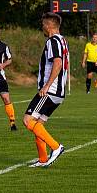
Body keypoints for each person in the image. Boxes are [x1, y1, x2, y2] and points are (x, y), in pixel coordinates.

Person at [25, 13, 70, 168]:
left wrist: (46, 85)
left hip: (50, 91)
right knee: (38, 123)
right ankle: (43, 159)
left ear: (49, 25)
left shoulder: (53, 41)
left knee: (28, 120)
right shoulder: (63, 40)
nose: (42, 27)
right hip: (58, 92)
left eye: (43, 24)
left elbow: (57, 63)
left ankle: (56, 147)